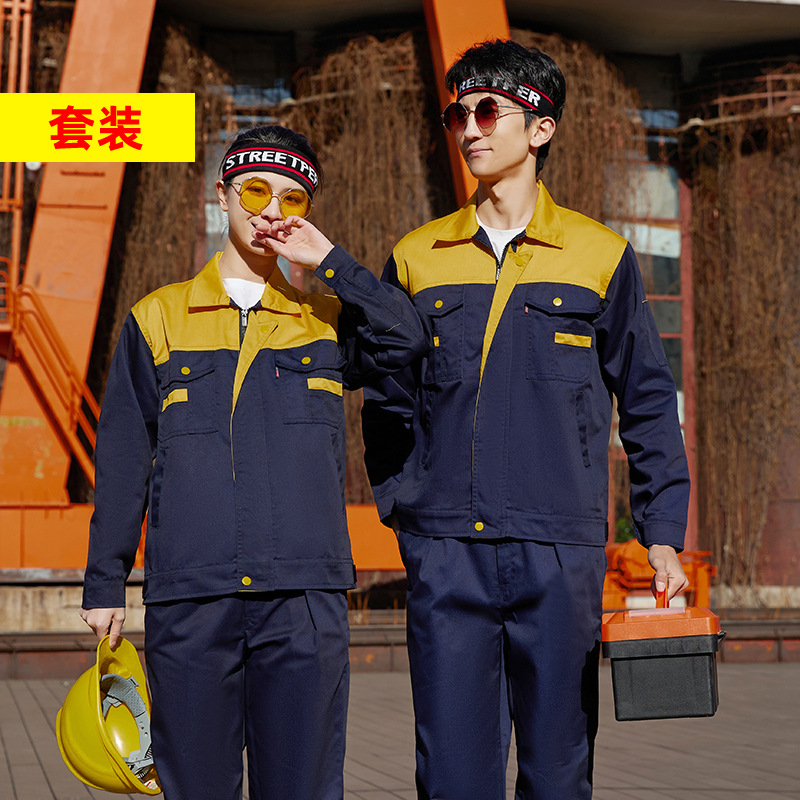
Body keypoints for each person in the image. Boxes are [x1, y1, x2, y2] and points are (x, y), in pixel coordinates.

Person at [361, 40, 690, 800]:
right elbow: (387, 396)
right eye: (458, 115)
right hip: (447, 552)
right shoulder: (418, 257)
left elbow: (646, 398)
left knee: (558, 769)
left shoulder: (599, 255)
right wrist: (406, 507)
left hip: (559, 551)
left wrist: (662, 531)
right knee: (451, 774)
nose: (470, 128)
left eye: (488, 110)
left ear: (541, 129)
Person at [80, 124, 428, 800]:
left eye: (291, 198)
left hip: (303, 601)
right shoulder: (158, 319)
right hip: (191, 598)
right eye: (255, 191)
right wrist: (105, 582)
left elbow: (407, 338)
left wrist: (330, 261)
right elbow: (124, 456)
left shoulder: (326, 320)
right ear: (222, 195)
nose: (271, 210)